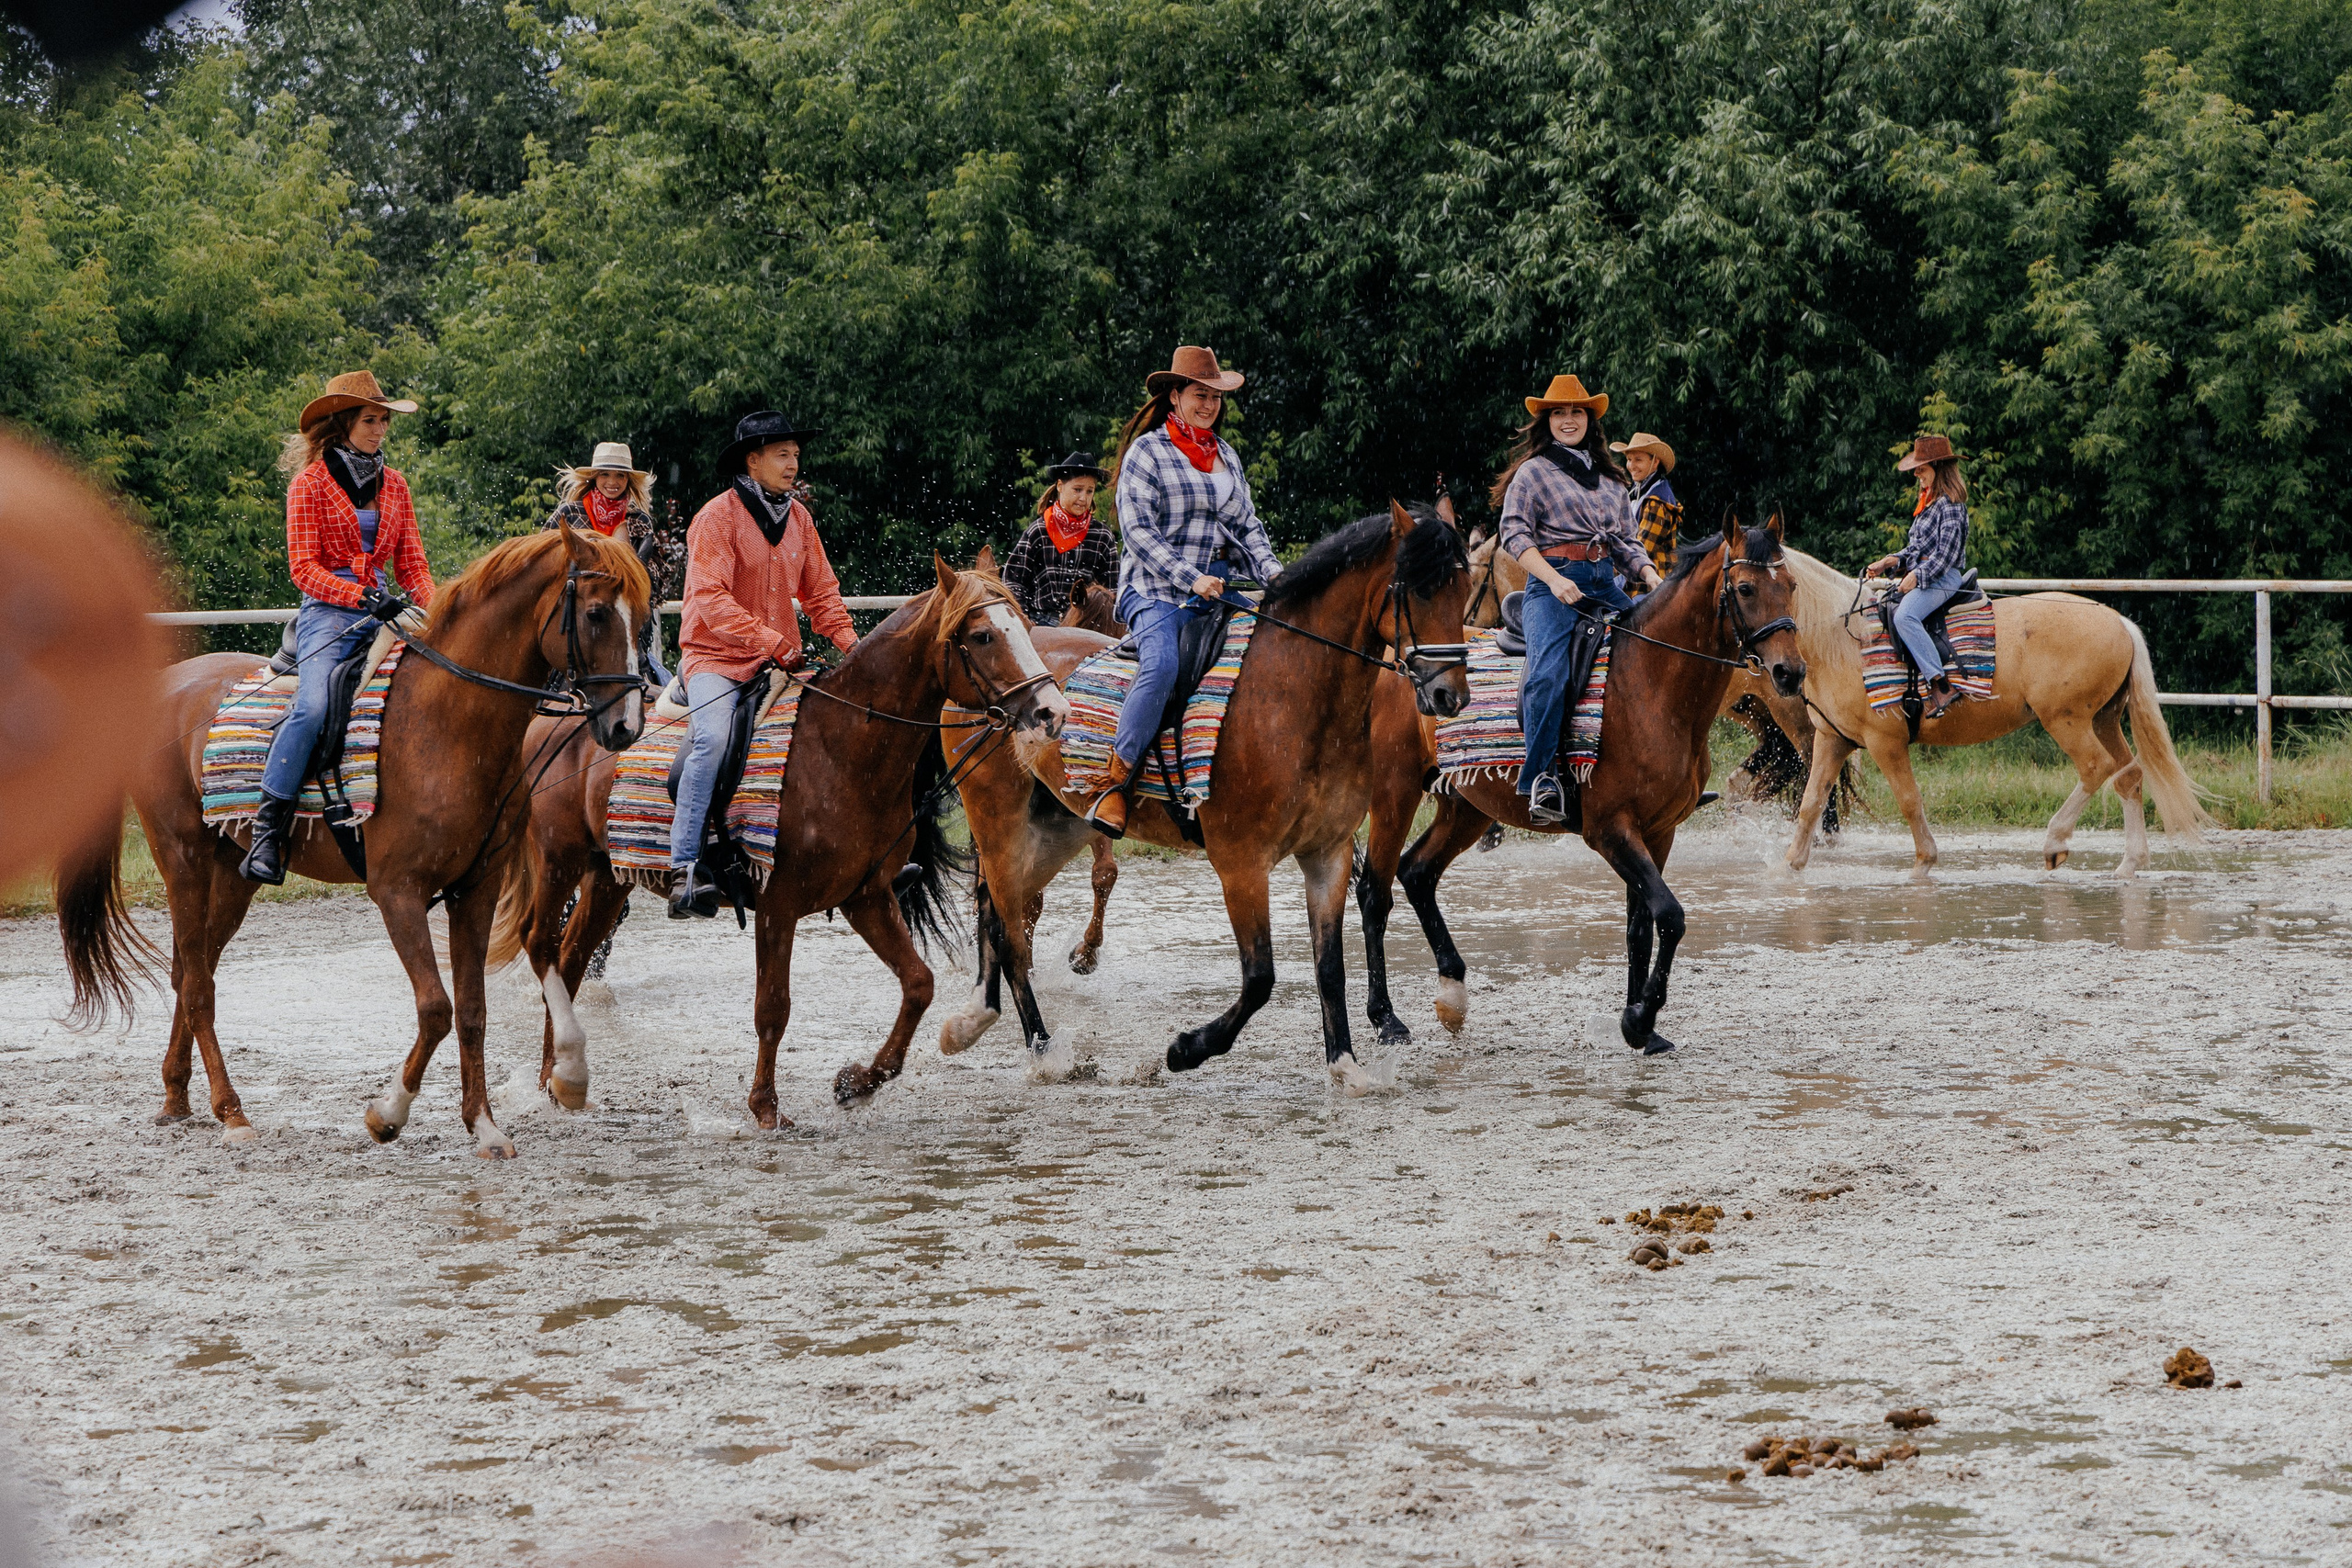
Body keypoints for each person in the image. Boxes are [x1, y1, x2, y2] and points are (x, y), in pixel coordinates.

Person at [242, 371, 434, 885]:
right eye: (371, 420)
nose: (380, 430)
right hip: (327, 613)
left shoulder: (396, 484)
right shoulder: (307, 484)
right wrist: (361, 595)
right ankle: (268, 828)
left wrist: (437, 611)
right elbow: (304, 568)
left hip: (387, 610)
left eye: (384, 421)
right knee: (314, 706)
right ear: (345, 422)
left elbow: (412, 565)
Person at [667, 411, 857, 919]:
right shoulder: (716, 518)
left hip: (779, 662)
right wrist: (770, 639)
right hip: (716, 659)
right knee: (712, 738)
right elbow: (708, 597)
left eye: (796, 454)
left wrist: (851, 646)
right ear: (754, 461)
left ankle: (860, 863)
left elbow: (822, 594)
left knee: (840, 730)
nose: (794, 464)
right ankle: (685, 868)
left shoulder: (799, 519)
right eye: (783, 455)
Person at [1089, 345, 1283, 838]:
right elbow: (1138, 533)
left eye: (1215, 398)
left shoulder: (1227, 457)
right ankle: (1118, 782)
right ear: (1175, 397)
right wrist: (1189, 577)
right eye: (1200, 396)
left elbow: (1248, 525)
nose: (1209, 406)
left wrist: (1275, 575)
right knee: (1163, 664)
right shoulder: (1147, 453)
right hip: (1153, 589)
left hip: (1218, 589)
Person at [1488, 374, 1662, 825]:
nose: (1569, 420)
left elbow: (1626, 541)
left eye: (1577, 412)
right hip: (1551, 586)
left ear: (1590, 419)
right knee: (1548, 675)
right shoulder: (1533, 473)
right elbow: (1514, 535)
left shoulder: (1610, 478)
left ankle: (1664, 774)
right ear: (1547, 420)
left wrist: (1649, 575)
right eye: (1560, 413)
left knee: (1660, 653)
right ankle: (1540, 779)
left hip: (1606, 582)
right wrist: (1552, 578)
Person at [542, 441, 674, 689]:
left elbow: (654, 582)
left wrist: (635, 572)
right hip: (573, 621)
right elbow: (543, 568)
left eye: (620, 476)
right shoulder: (568, 514)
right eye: (605, 474)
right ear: (594, 477)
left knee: (655, 688)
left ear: (628, 480)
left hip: (624, 625)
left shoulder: (639, 521)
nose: (612, 481)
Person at [1865, 433, 1973, 721]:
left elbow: (1946, 555)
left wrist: (1917, 576)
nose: (1916, 474)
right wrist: (1892, 560)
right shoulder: (1928, 504)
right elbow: (1917, 548)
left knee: (1905, 617)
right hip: (1927, 576)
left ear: (1938, 468)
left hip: (1944, 578)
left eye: (1921, 468)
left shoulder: (1950, 505)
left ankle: (1941, 685)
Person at [1001, 452, 1119, 627]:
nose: (1083, 498)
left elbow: (1113, 589)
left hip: (1085, 624)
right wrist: (1023, 618)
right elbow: (1013, 581)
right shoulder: (1038, 531)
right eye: (1077, 490)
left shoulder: (1102, 536)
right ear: (1060, 486)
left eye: (1089, 491)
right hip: (1040, 622)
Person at [1611, 431, 1683, 586]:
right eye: (1629, 459)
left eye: (1638, 460)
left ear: (1655, 462)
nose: (1631, 466)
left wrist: (1605, 569)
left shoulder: (1657, 502)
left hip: (1652, 583)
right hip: (1636, 576)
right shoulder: (1639, 493)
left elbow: (1640, 551)